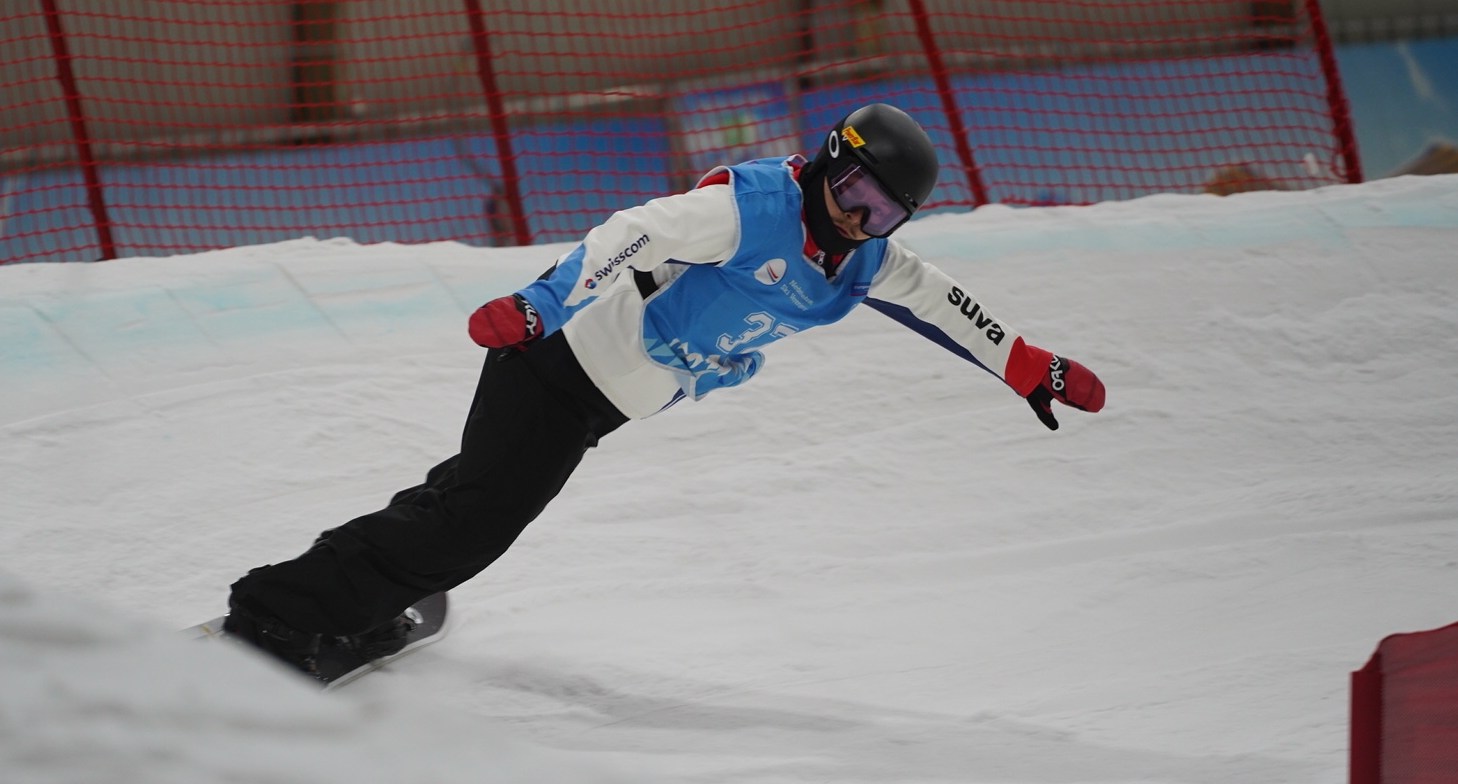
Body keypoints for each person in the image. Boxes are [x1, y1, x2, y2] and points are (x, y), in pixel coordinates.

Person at [225, 103, 1105, 681]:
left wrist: (1024, 363)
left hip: (601, 398)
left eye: (881, 212)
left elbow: (938, 302)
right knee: (477, 523)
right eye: (852, 192)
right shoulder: (748, 209)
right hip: (554, 363)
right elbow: (633, 232)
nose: (857, 217)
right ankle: (279, 614)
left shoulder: (863, 260)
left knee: (469, 500)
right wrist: (541, 304)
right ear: (827, 163)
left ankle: (356, 598)